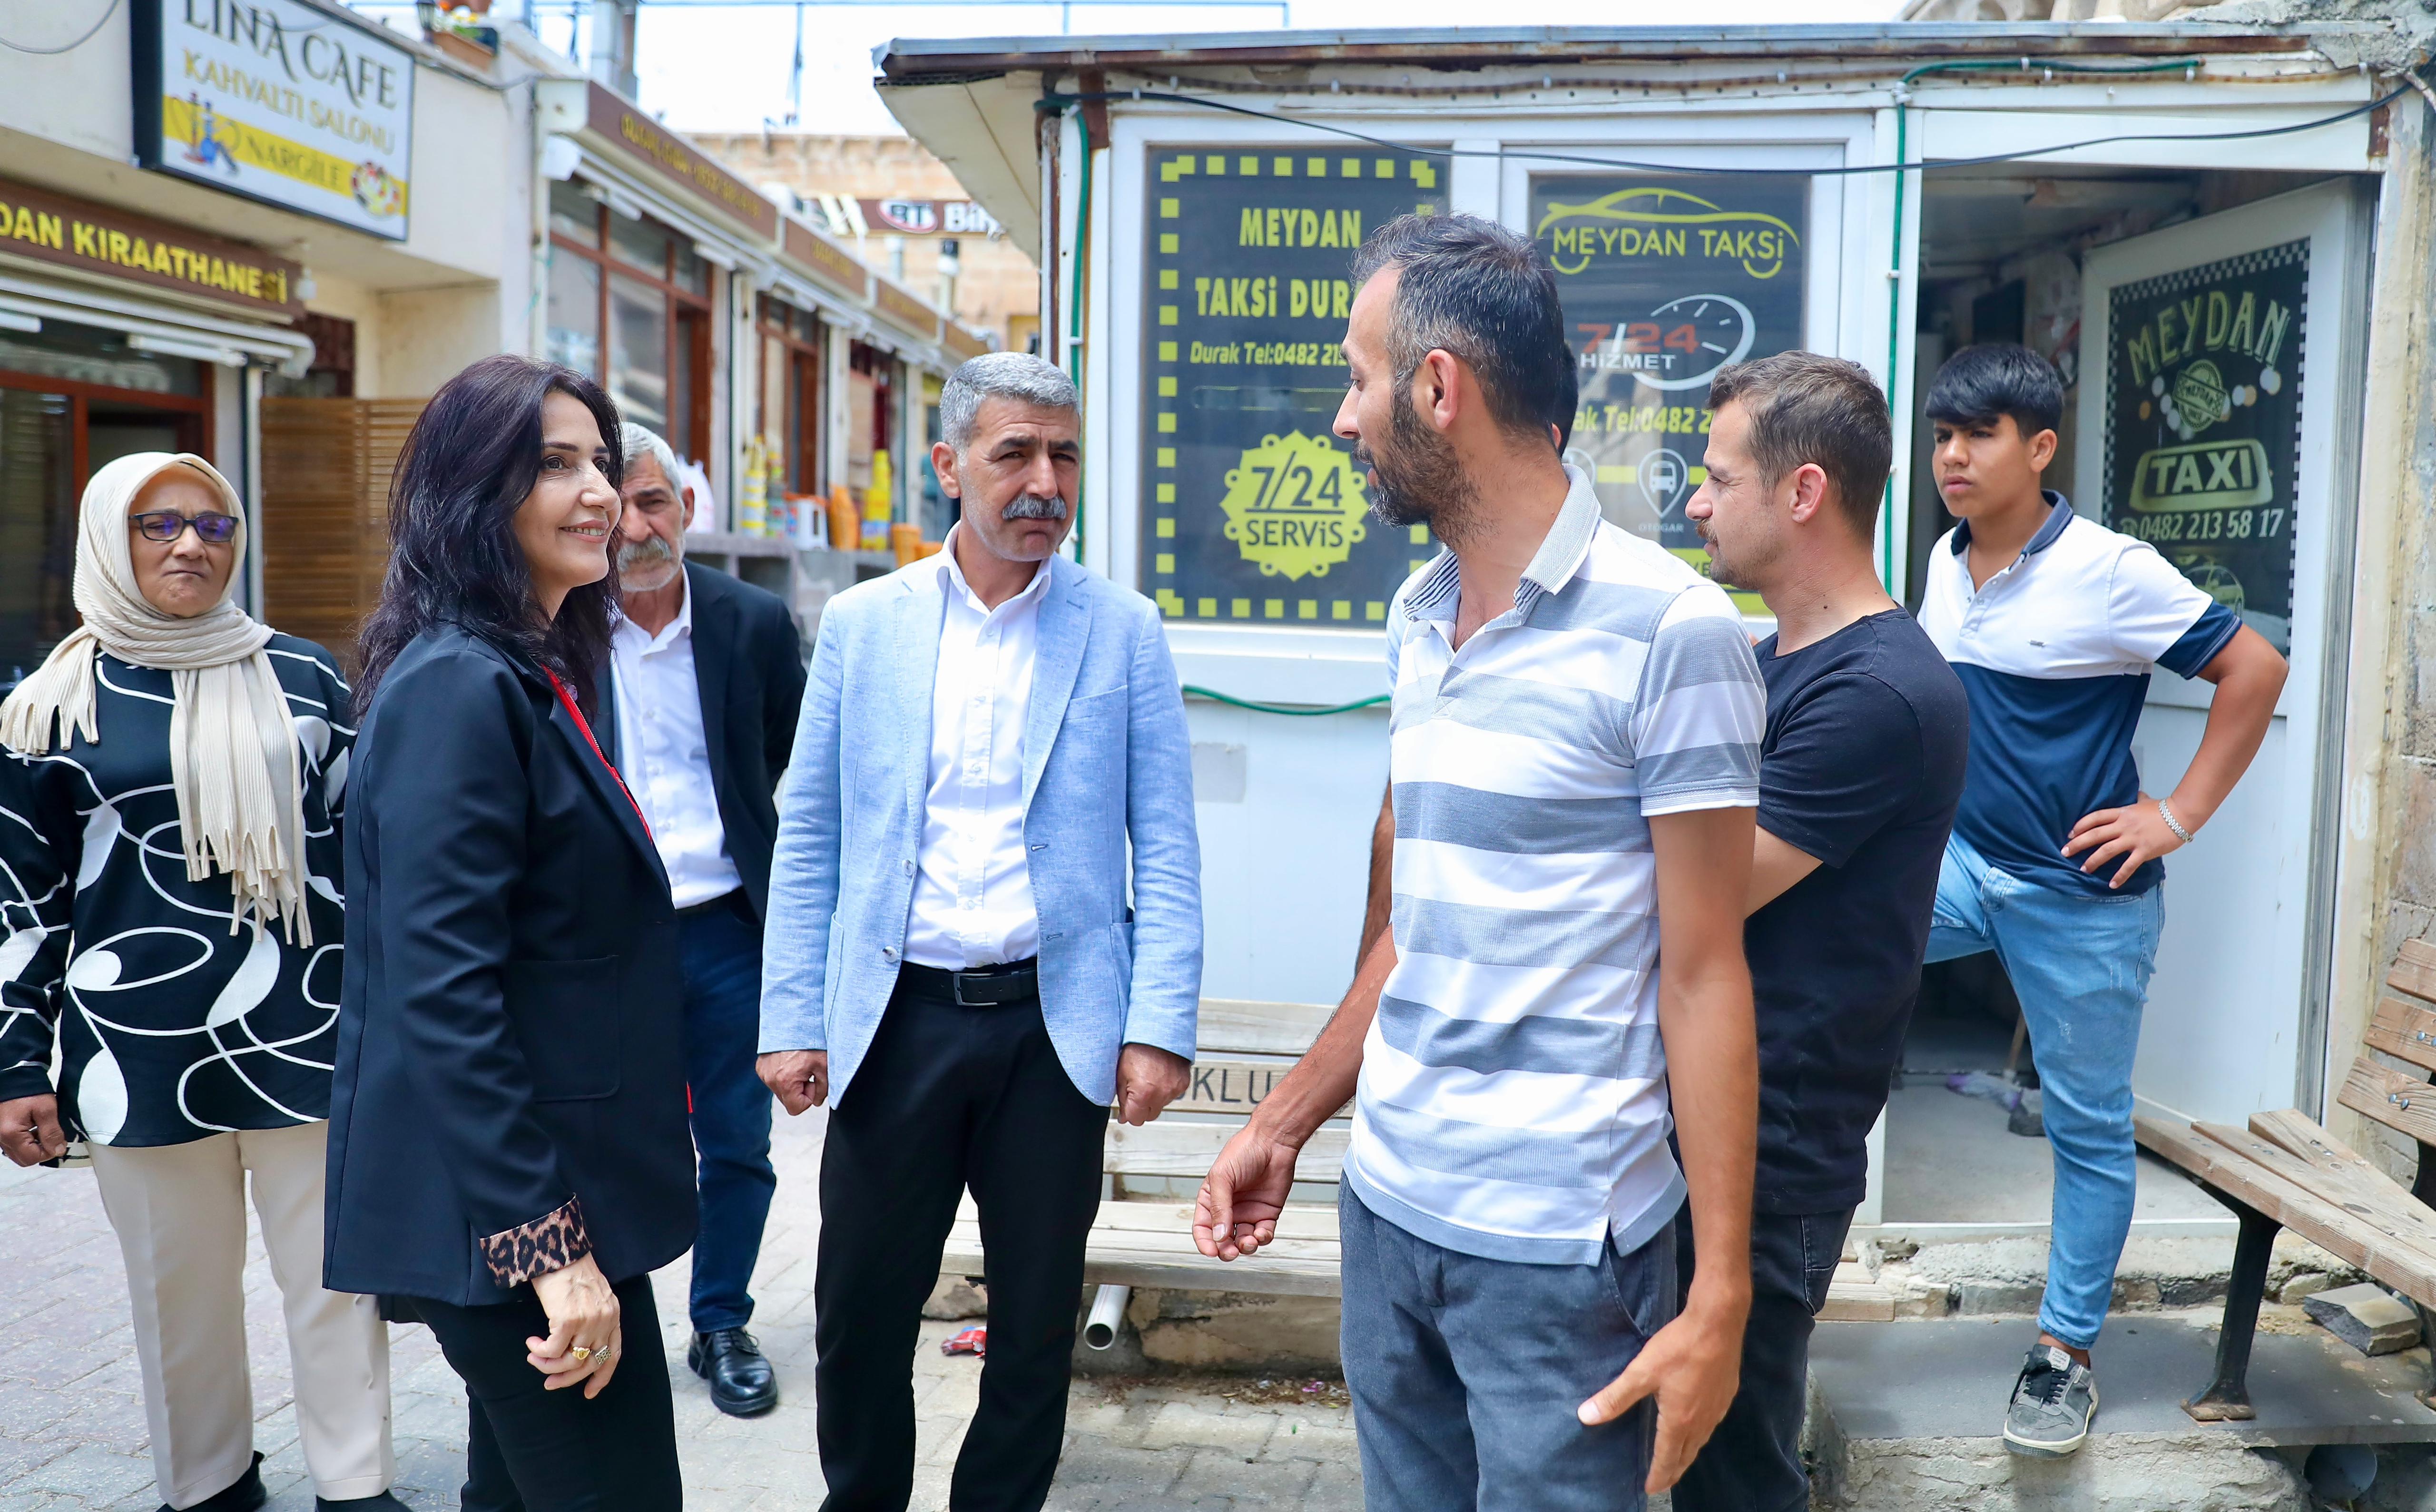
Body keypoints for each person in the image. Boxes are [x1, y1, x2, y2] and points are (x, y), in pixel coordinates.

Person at [1193, 213, 1765, 1512]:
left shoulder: (1674, 630)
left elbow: (1705, 972)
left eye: (1359, 378)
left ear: (1438, 388)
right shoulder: (1416, 617)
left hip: (1561, 1262)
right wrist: (1285, 1123)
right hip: (1387, 1215)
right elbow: (1423, 924)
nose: (1344, 417)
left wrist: (1718, 1295)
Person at [756, 350, 1201, 1512]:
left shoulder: (1123, 630)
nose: (1044, 481)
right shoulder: (865, 624)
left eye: (1063, 455)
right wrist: (791, 1015)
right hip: (896, 1019)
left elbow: (1168, 842)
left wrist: (1157, 1024)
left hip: (1054, 1030)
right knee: (857, 1312)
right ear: (950, 466)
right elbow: (810, 832)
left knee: (1036, 1321)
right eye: (1015, 453)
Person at [323, 355, 694, 1510]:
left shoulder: (522, 668)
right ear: (475, 491)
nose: (600, 492)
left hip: (553, 1196)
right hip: (515, 1223)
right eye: (554, 464)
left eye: (602, 462)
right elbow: (442, 995)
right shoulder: (457, 685)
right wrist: (551, 1251)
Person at [0, 454, 398, 1512]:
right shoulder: (47, 709)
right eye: (159, 524)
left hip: (307, 1028)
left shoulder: (306, 677)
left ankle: (355, 1480)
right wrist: (15, 1064)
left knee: (336, 1275)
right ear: (107, 539)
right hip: (136, 1050)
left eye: (213, 524)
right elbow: (21, 903)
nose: (190, 544)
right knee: (177, 1289)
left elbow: (372, 857)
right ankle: (210, 1481)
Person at [1916, 343, 2288, 1456]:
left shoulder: (2111, 568)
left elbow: (2255, 668)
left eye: (1978, 434)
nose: (1952, 456)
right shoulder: (1943, 558)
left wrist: (2173, 813)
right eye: (1942, 435)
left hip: (2081, 895)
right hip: (1960, 865)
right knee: (1806, 949)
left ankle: (2062, 1353)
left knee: (2085, 1127)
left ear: (2039, 447)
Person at [1666, 353, 1969, 1511]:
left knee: (1732, 1473)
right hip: (1699, 1122)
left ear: (1802, 492)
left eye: (1717, 477)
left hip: (1770, 1152)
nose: (1696, 502)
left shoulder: (1877, 693)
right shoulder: (1767, 660)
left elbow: (1698, 892)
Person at [600, 422, 805, 1417]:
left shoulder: (751, 622)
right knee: (604, 1132)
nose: (636, 529)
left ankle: (720, 1319)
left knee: (734, 1136)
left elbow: (783, 757)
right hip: (606, 934)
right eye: (616, 509)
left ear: (686, 507)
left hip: (726, 925)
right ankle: (605, 1316)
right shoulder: (555, 628)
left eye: (654, 502)